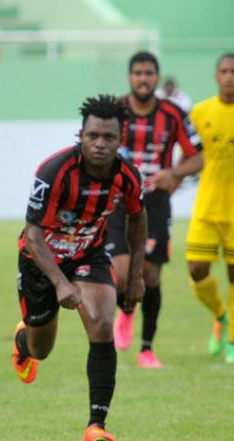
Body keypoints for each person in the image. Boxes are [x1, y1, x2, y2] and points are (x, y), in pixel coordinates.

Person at [12, 94, 146, 441]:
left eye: (109, 138)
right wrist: (59, 283)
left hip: (89, 253)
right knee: (43, 349)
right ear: (81, 135)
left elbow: (137, 218)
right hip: (40, 260)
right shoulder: (54, 171)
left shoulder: (127, 177)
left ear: (121, 139)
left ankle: (96, 426)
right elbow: (33, 234)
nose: (100, 144)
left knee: (102, 325)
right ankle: (23, 340)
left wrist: (135, 277)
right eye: (93, 136)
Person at [106, 51, 203, 368]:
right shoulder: (114, 112)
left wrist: (173, 174)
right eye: (137, 73)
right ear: (129, 77)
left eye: (148, 73)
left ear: (157, 77)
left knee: (150, 274)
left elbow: (198, 157)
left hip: (155, 203)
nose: (143, 79)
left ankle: (147, 349)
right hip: (119, 201)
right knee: (121, 276)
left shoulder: (173, 114)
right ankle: (126, 312)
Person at [186, 52, 234, 363]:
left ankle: (232, 342)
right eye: (224, 71)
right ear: (216, 76)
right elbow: (190, 156)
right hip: (207, 206)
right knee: (197, 269)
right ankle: (220, 315)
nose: (229, 76)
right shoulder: (199, 113)